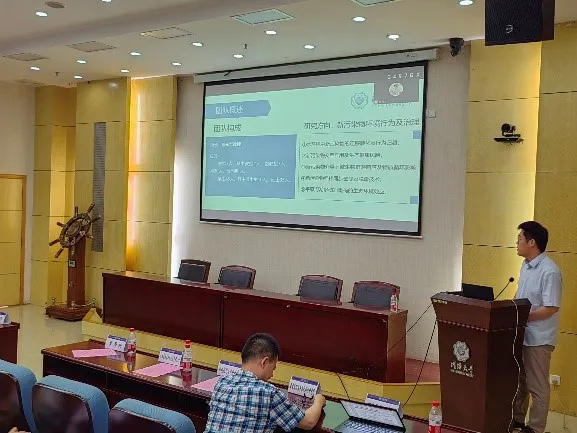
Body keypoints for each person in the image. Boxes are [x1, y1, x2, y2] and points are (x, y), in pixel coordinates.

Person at [204, 333, 326, 433]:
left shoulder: (221, 383)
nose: (272, 375)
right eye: (273, 368)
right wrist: (319, 400)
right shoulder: (268, 392)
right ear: (264, 362)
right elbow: (308, 422)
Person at [512, 221, 562, 433]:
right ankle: (517, 420)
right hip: (522, 334)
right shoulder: (525, 265)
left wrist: (524, 316)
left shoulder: (550, 271)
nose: (517, 243)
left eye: (520, 239)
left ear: (532, 242)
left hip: (539, 338)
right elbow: (520, 296)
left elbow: (551, 307)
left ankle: (535, 428)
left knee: (538, 386)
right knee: (520, 382)